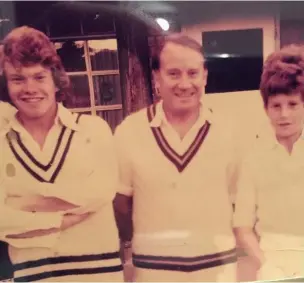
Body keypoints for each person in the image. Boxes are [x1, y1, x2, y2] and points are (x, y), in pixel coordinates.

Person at [0, 26, 124, 282]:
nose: (29, 88)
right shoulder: (2, 141)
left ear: (56, 80)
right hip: (34, 276)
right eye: (17, 79)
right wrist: (67, 216)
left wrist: (25, 207)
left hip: (98, 274)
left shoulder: (92, 130)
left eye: (39, 77)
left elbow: (100, 193)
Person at [114, 34, 239, 282]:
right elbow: (120, 206)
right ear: (157, 77)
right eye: (173, 74)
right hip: (154, 272)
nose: (184, 84)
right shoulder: (130, 131)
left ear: (204, 76)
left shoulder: (229, 132)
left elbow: (239, 205)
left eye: (192, 73)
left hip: (217, 271)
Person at [233, 44, 304, 281]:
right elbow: (242, 226)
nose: (284, 115)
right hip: (272, 263)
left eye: (292, 104)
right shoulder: (254, 160)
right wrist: (266, 263)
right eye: (276, 106)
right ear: (266, 108)